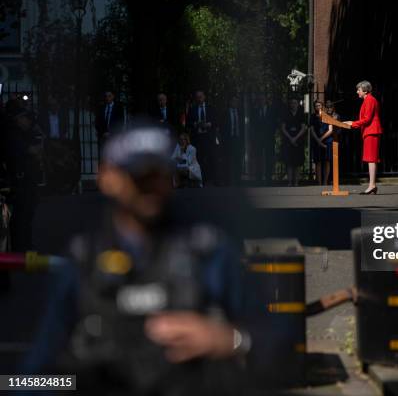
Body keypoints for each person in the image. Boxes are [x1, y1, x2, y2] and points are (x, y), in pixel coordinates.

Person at [23, 123, 248, 395]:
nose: (151, 188)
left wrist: (230, 340)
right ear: (107, 177)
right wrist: (75, 380)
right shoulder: (83, 260)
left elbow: (274, 342)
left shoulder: (208, 251)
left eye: (159, 175)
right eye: (139, 177)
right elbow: (34, 376)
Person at [4, 109, 44, 251]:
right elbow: (32, 150)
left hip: (26, 179)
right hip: (20, 180)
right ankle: (21, 247)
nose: (28, 121)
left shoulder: (23, 133)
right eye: (25, 118)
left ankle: (24, 246)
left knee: (26, 215)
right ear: (19, 119)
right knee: (21, 216)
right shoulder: (14, 134)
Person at [343, 80, 383, 195]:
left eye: (358, 90)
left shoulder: (370, 100)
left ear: (365, 90)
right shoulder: (368, 100)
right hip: (370, 131)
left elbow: (367, 119)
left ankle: (372, 185)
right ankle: (372, 185)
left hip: (372, 132)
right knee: (371, 159)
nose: (357, 92)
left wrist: (353, 123)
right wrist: (351, 122)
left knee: (371, 159)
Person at [187, 90, 217, 185]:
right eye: (198, 97)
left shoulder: (211, 108)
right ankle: (200, 179)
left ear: (204, 97)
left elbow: (216, 121)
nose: (199, 99)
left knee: (210, 158)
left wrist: (210, 124)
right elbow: (188, 123)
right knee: (198, 159)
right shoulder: (192, 109)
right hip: (197, 138)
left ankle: (211, 179)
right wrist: (195, 124)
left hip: (209, 137)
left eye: (201, 96)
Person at [250, 94, 277, 185]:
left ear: (265, 100)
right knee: (258, 158)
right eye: (260, 99)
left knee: (269, 158)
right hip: (258, 139)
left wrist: (272, 134)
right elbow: (252, 124)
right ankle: (259, 178)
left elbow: (274, 123)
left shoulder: (271, 110)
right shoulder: (255, 110)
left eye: (263, 99)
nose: (262, 101)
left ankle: (268, 178)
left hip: (269, 138)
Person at [280, 97, 306, 187]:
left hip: (298, 140)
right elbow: (283, 127)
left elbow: (303, 128)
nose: (293, 104)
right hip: (288, 140)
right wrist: (290, 138)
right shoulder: (286, 114)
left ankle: (296, 182)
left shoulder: (301, 114)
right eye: (292, 103)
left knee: (297, 162)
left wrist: (295, 138)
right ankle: (290, 182)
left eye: (295, 103)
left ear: (298, 104)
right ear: (290, 104)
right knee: (289, 162)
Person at [220, 95, 244, 186]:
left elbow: (243, 127)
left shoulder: (240, 112)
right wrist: (223, 138)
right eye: (233, 101)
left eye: (236, 101)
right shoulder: (225, 112)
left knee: (238, 160)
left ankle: (238, 180)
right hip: (228, 139)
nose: (235, 103)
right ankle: (227, 180)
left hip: (237, 139)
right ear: (230, 102)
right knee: (227, 159)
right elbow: (222, 127)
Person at [310, 100, 333, 185]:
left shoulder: (327, 116)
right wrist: (318, 141)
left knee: (327, 161)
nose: (318, 107)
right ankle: (319, 183)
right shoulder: (312, 117)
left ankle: (325, 182)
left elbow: (330, 130)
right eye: (316, 106)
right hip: (316, 141)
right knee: (318, 162)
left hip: (327, 141)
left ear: (322, 106)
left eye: (319, 105)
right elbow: (312, 130)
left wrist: (321, 139)